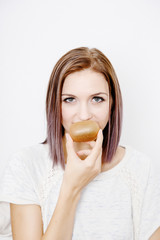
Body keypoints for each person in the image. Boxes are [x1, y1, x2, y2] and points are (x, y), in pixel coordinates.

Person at [0, 47, 160, 240]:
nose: (84, 115)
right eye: (69, 100)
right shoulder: (26, 165)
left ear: (112, 104)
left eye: (97, 99)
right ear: (55, 105)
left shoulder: (140, 168)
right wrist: (72, 187)